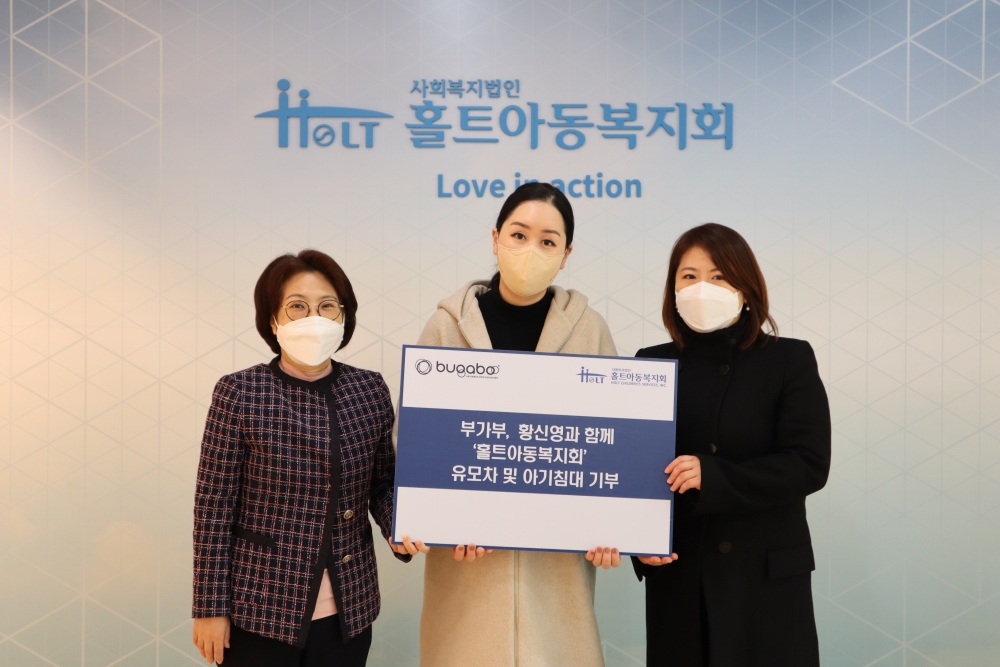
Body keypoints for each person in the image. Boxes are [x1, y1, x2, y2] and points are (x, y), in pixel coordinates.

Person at [415, 182, 620, 667]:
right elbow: (418, 446)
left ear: (566, 255)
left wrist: (614, 527)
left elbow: (613, 445)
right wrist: (437, 522)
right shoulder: (446, 326)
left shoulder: (590, 329)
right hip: (467, 572)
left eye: (548, 241)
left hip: (557, 580)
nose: (531, 250)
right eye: (519, 234)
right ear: (495, 238)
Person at [191, 250, 428, 667]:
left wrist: (400, 525)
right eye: (297, 306)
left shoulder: (369, 390)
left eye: (327, 306)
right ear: (273, 320)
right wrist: (210, 608)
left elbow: (382, 483)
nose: (313, 318)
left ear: (343, 317)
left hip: (349, 607)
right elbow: (214, 507)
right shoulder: (240, 392)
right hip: (259, 607)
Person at [632, 223, 831, 667]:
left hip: (765, 584)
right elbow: (635, 469)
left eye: (719, 276)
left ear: (745, 288)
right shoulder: (651, 364)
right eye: (689, 276)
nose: (702, 288)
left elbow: (809, 464)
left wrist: (714, 476)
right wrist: (638, 541)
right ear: (673, 289)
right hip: (681, 582)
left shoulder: (788, 358)